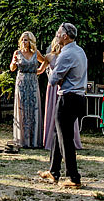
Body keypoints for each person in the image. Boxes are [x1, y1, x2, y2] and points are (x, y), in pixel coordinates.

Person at [38, 22, 87, 189]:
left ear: (65, 36)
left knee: (65, 137)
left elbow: (53, 80)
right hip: (79, 96)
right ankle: (53, 170)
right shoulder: (79, 51)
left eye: (58, 33)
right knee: (57, 133)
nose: (57, 35)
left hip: (68, 98)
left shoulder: (66, 54)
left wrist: (49, 71)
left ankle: (74, 177)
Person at [39, 35, 82, 151]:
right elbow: (40, 70)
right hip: (52, 87)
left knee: (65, 118)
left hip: (63, 87)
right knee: (54, 114)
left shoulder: (66, 56)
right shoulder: (49, 57)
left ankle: (70, 141)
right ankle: (50, 142)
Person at [9, 31, 43, 148]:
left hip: (33, 82)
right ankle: (22, 140)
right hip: (21, 82)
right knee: (22, 109)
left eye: (27, 40)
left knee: (33, 108)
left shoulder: (35, 53)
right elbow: (12, 68)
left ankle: (34, 140)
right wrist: (13, 62)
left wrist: (40, 71)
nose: (24, 42)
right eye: (23, 39)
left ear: (31, 42)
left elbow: (45, 61)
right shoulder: (17, 53)